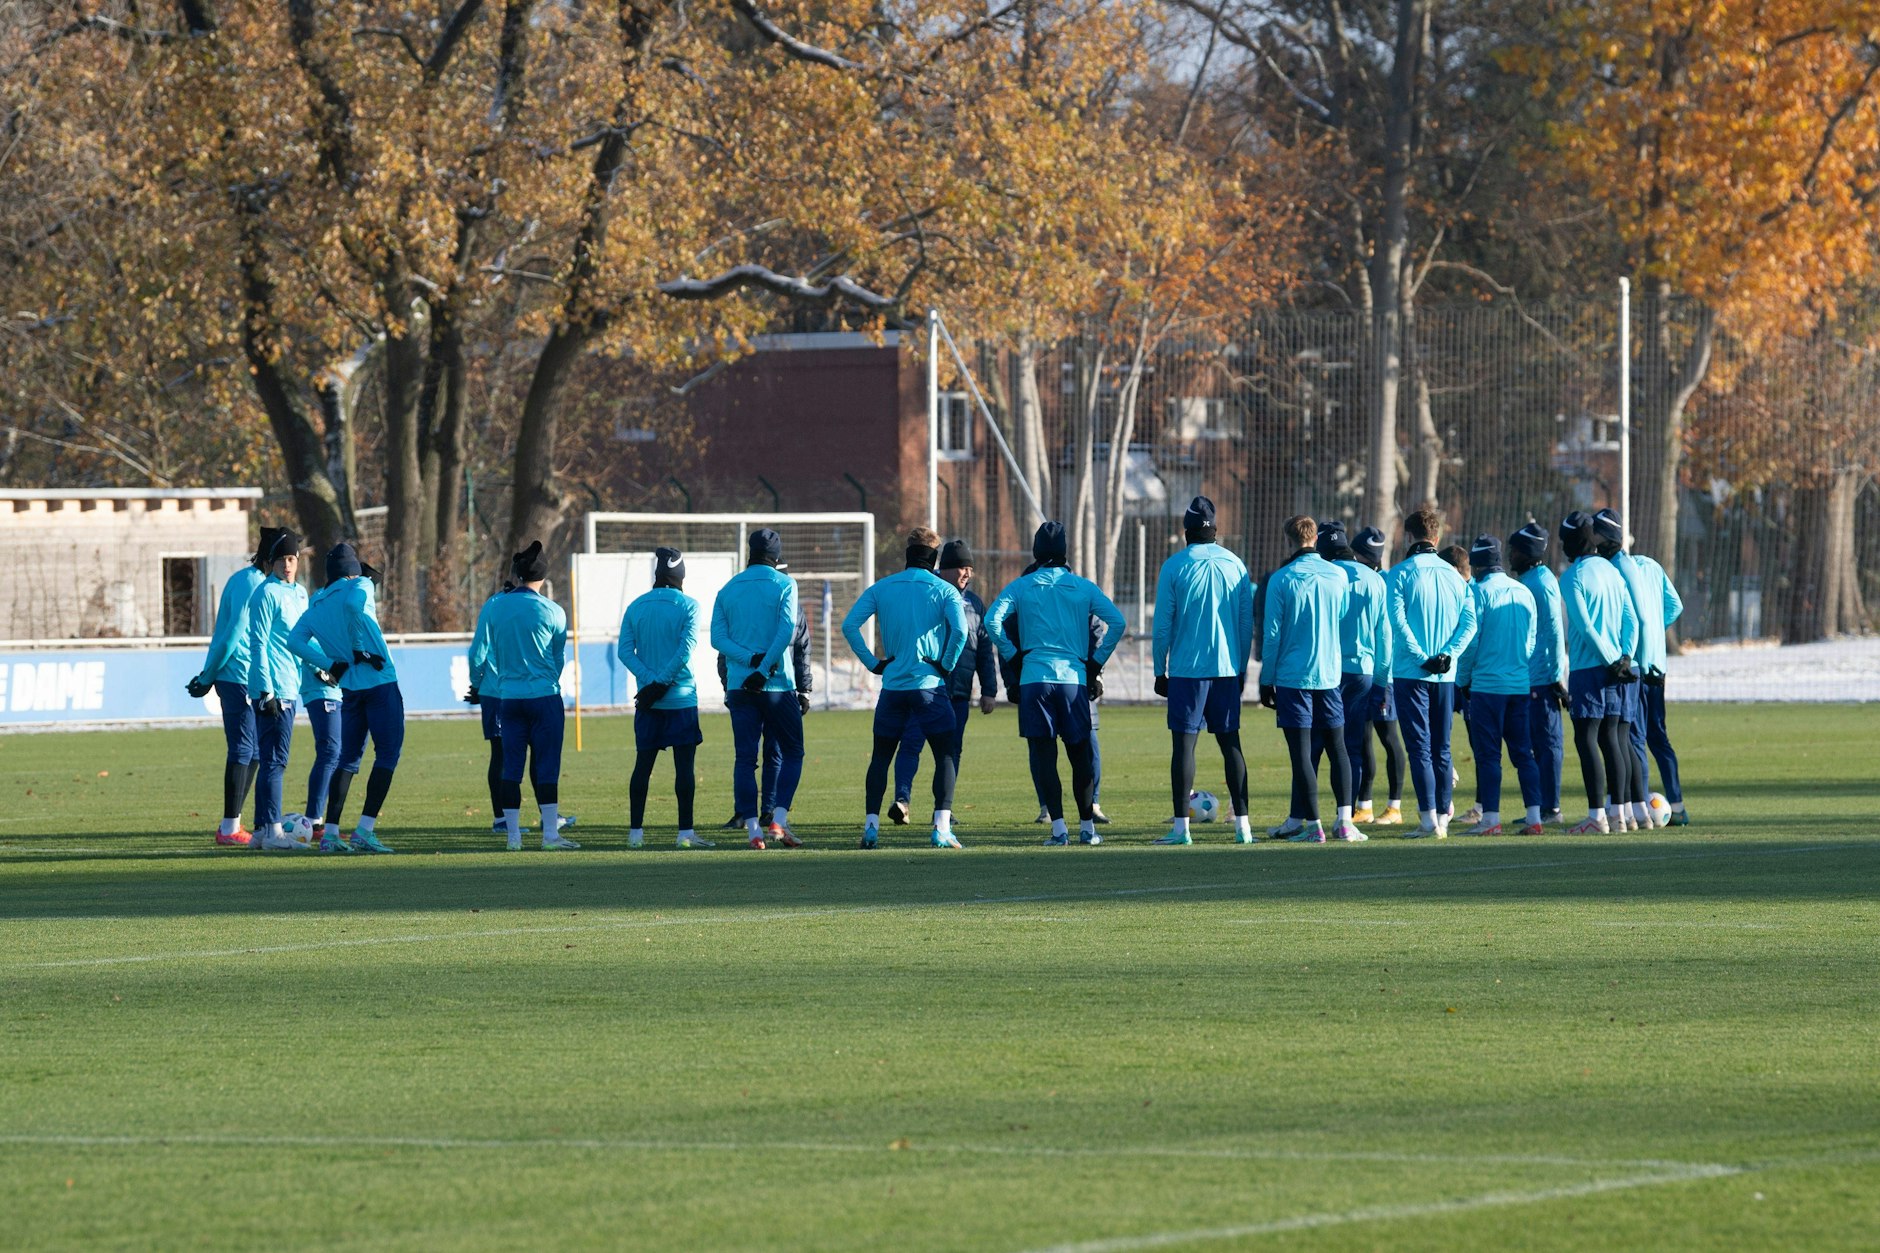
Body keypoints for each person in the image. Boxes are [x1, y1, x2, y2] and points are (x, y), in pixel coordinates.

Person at [986, 521, 1126, 846]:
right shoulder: (1082, 586)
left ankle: (1059, 829)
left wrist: (1013, 655)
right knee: (1079, 755)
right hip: (1072, 679)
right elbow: (1117, 622)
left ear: (1036, 552)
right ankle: (1088, 828)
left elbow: (994, 620)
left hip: (1035, 679)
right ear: (1065, 552)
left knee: (1044, 755)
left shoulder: (1022, 586)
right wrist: (1094, 662)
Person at [843, 526, 969, 848]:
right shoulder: (944, 590)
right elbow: (961, 632)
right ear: (934, 556)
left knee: (881, 757)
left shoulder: (883, 588)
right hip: (929, 686)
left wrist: (874, 663)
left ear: (907, 553)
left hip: (893, 688)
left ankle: (871, 827)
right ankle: (941, 827)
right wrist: (946, 663)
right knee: (944, 755)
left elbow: (850, 626)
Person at [1151, 495, 1254, 845]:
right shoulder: (1236, 565)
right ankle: (1244, 827)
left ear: (1185, 532)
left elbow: (1162, 623)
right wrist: (1240, 667)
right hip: (1225, 669)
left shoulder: (1174, 567)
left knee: (1184, 747)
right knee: (1232, 745)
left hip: (1186, 671)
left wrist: (1158, 668)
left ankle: (1182, 829)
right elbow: (1245, 622)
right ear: (1215, 530)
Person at [287, 543, 403, 854]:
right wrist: (358, 647)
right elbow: (354, 604)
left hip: (349, 689)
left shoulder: (317, 602)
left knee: (347, 760)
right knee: (388, 755)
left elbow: (293, 640)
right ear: (353, 573)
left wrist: (329, 664)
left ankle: (331, 833)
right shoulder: (359, 585)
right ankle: (365, 829)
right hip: (379, 684)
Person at [1258, 515, 1358, 843]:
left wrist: (1266, 678)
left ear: (1290, 540)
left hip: (1292, 676)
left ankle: (1313, 826)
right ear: (1316, 538)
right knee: (1338, 747)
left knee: (1302, 753)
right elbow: (1341, 615)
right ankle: (1345, 821)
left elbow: (1271, 635)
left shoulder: (1281, 579)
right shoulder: (1338, 575)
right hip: (1329, 674)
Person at [886, 539, 998, 827]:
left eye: (970, 569)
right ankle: (902, 800)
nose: (967, 574)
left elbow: (983, 648)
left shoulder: (974, 604)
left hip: (959, 691)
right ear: (945, 569)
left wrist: (989, 690)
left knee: (950, 752)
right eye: (962, 567)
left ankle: (943, 809)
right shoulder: (929, 593)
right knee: (911, 743)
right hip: (925, 686)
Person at [474, 542, 579, 852]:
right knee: (546, 765)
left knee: (511, 768)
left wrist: (484, 680)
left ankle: (513, 838)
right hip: (544, 697)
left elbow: (484, 648)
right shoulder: (553, 611)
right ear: (543, 577)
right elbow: (558, 658)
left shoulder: (496, 606)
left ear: (516, 574)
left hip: (508, 698)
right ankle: (550, 835)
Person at [1593, 508, 1688, 827]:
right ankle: (1676, 805)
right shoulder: (1650, 566)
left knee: (1632, 737)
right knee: (1658, 738)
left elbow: (1639, 619)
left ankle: (1640, 806)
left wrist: (1640, 650)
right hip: (1656, 665)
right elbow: (1674, 606)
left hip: (1637, 665)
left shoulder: (1616, 572)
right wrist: (1655, 644)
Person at [1388, 505, 1478, 838]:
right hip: (1445, 674)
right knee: (1442, 747)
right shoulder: (1455, 575)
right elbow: (1470, 623)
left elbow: (1398, 624)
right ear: (1437, 537)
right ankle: (1442, 815)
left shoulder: (1400, 573)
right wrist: (1448, 655)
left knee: (1420, 747)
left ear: (1408, 537)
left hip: (1414, 672)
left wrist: (1423, 657)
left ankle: (1428, 819)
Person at [712, 527, 805, 849]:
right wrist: (764, 668)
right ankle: (778, 820)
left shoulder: (728, 588)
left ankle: (753, 829)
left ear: (749, 553)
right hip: (777, 685)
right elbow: (786, 633)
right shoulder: (785, 583)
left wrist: (749, 661)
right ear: (777, 556)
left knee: (744, 759)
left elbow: (717, 640)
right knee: (793, 752)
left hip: (740, 685)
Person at [187, 526, 276, 846]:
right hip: (236, 676)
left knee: (253, 752)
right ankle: (228, 828)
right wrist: (208, 675)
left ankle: (237, 824)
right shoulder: (251, 582)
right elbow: (233, 633)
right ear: (270, 558)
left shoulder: (256, 581)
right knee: (244, 749)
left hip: (250, 677)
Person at [1557, 511, 1641, 834]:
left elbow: (1585, 627)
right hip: (1617, 667)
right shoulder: (1611, 569)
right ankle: (1619, 814)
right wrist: (1625, 656)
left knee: (1587, 738)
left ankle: (1597, 817)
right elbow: (1631, 618)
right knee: (1612, 737)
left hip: (1590, 669)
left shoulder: (1572, 576)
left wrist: (1609, 660)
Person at [618, 547, 706, 849]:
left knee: (642, 765)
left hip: (648, 701)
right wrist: (663, 681)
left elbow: (624, 652)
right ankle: (685, 833)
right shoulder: (690, 606)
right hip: (680, 699)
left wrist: (649, 682)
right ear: (680, 575)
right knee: (685, 768)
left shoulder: (636, 606)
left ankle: (635, 833)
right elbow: (686, 650)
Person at [1456, 535, 1543, 835]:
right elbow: (1531, 640)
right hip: (1518, 685)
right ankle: (1535, 817)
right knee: (1523, 754)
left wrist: (1463, 679)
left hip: (1487, 687)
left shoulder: (1476, 593)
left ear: (1477, 565)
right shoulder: (1523, 591)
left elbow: (1469, 643)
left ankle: (1490, 819)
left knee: (1489, 756)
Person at [244, 529, 323, 851]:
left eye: (292, 559)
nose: (288, 565)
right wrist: (265, 689)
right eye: (282, 559)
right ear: (272, 562)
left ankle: (262, 831)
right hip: (274, 688)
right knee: (275, 761)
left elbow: (304, 639)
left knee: (271, 759)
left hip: (292, 685)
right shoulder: (265, 594)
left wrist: (320, 667)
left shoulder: (300, 593)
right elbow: (258, 643)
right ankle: (274, 832)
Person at [1319, 520, 1393, 830]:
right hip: (1363, 672)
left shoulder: (1327, 576)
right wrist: (1381, 681)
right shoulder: (1376, 580)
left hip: (1329, 671)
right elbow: (1384, 637)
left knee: (1314, 745)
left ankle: (1303, 816)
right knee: (1352, 746)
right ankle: (1347, 816)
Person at [717, 598, 812, 832]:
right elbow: (802, 650)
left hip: (746, 687)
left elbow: (724, 650)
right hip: (776, 688)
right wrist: (804, 690)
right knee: (774, 753)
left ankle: (752, 814)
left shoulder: (741, 603)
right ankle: (764, 812)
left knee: (750, 756)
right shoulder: (791, 606)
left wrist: (804, 689)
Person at [1509, 521, 1567, 825]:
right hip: (1528, 675)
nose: (1510, 556)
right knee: (1533, 743)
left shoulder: (1542, 582)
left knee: (1547, 743)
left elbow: (1555, 630)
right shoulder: (1531, 579)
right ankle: (1541, 806)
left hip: (1543, 677)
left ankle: (1551, 808)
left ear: (1527, 552)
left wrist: (1557, 675)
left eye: (1514, 551)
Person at [1350, 525, 1407, 823]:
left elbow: (1387, 635)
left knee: (1388, 737)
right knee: (1364, 738)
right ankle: (1366, 805)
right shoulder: (1371, 581)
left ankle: (1395, 806)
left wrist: (1384, 678)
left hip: (1384, 674)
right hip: (1369, 672)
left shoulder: (1382, 583)